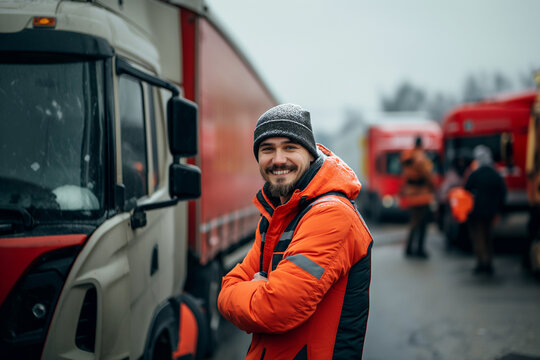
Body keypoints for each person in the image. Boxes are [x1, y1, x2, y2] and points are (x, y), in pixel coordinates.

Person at [217, 103, 373, 360]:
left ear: (310, 154)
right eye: (268, 149)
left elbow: (275, 310)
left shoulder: (331, 214)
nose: (278, 160)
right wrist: (259, 290)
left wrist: (253, 290)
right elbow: (226, 289)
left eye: (290, 147)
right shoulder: (277, 214)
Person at [464, 145, 507, 275]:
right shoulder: (496, 175)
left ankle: (482, 263)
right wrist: (498, 209)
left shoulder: (475, 175)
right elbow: (503, 193)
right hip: (490, 213)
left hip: (476, 213)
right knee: (488, 237)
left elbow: (466, 191)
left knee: (479, 238)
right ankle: (489, 262)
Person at [400, 136, 435, 258]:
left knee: (414, 222)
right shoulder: (420, 156)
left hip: (411, 193)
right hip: (422, 194)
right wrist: (433, 185)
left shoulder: (408, 155)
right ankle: (419, 249)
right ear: (421, 144)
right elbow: (426, 173)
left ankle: (409, 248)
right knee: (422, 223)